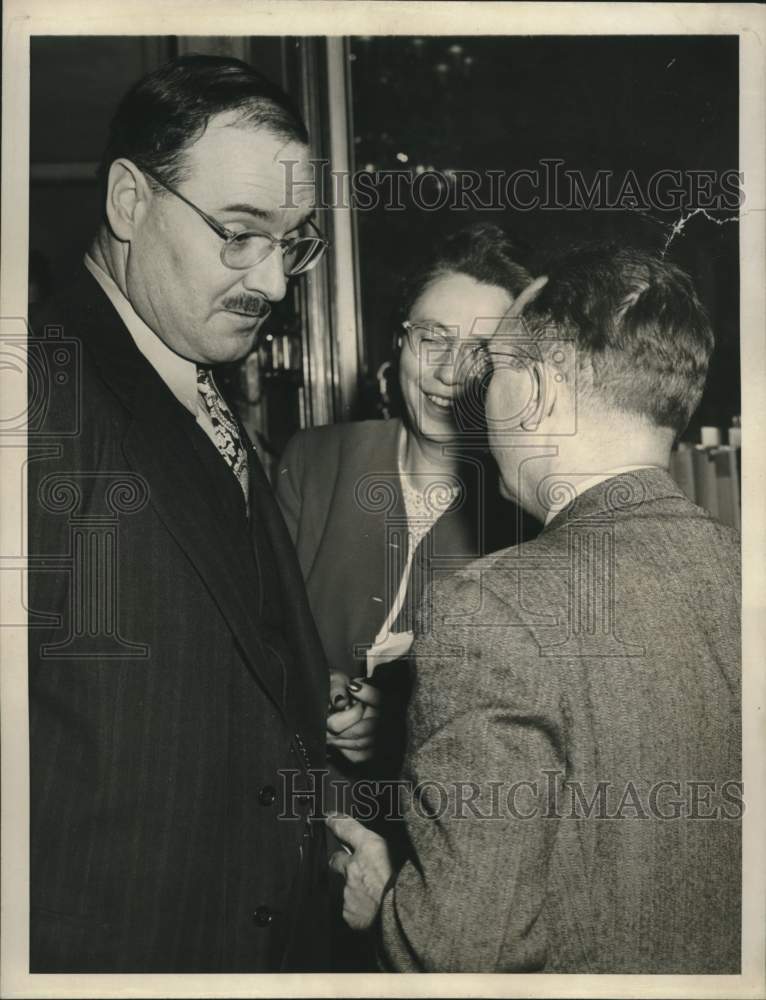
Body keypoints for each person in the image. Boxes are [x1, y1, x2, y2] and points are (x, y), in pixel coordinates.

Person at [327, 243, 741, 973]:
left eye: (493, 367)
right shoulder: (746, 572)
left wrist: (388, 895)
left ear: (536, 392)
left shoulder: (494, 609)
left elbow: (457, 950)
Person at [27, 54, 350, 972]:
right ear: (129, 201)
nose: (276, 283)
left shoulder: (203, 394)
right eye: (240, 232)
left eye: (294, 243)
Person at [276, 223, 539, 771]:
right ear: (399, 343)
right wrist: (310, 684)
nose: (449, 374)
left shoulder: (531, 513)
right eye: (433, 339)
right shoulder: (313, 462)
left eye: (482, 353)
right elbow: (259, 630)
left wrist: (402, 728)